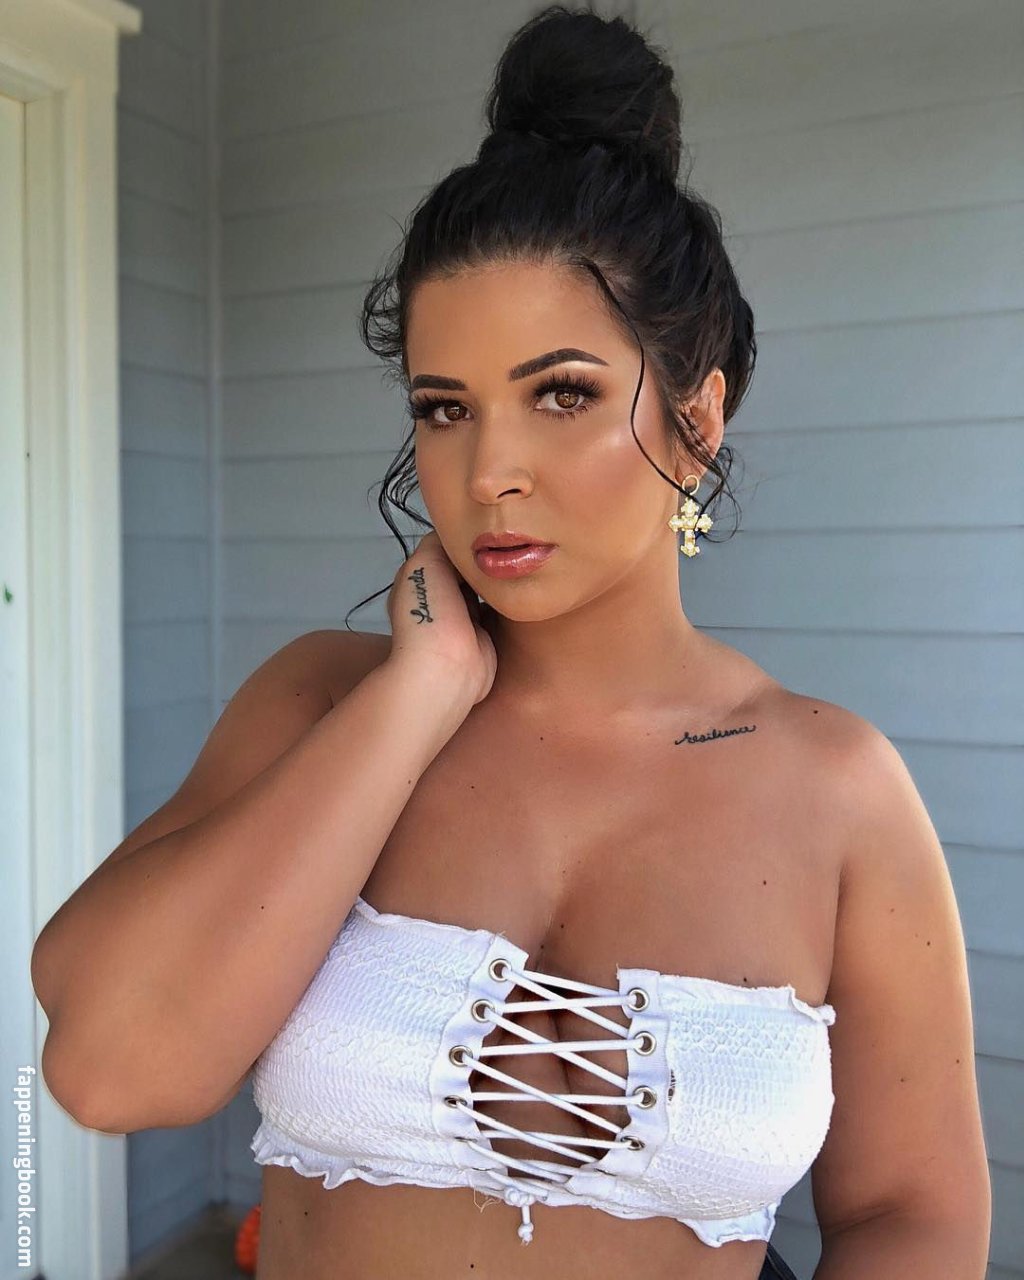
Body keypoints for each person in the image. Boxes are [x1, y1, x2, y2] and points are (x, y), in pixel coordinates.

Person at [32, 6, 990, 1279]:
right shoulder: (324, 702)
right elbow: (108, 1067)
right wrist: (418, 693)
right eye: (445, 408)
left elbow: (910, 1212)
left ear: (699, 415)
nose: (489, 471)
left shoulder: (839, 789)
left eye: (562, 393)